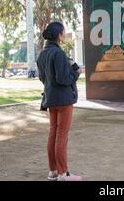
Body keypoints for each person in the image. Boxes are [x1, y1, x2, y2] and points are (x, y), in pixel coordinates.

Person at [37, 22, 82, 181]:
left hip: (50, 99)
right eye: (63, 32)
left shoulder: (42, 54)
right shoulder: (59, 54)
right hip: (63, 100)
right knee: (61, 136)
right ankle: (63, 174)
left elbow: (43, 78)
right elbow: (64, 78)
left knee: (53, 134)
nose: (64, 34)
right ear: (59, 36)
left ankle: (53, 172)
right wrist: (77, 73)